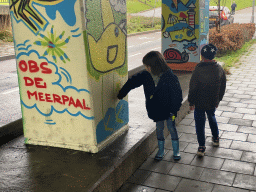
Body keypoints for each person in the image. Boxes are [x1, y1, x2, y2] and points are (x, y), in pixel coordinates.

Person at [117, 51, 183, 161]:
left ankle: (176, 150)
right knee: (159, 129)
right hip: (156, 110)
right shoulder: (146, 75)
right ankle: (161, 150)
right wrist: (121, 93)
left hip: (170, 111)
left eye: (147, 66)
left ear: (153, 65)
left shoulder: (170, 77)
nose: (146, 68)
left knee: (172, 128)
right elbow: (132, 82)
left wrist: (174, 110)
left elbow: (177, 95)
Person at [188, 44, 226, 157]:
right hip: (212, 101)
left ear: (202, 56)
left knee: (199, 124)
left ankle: (201, 147)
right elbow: (223, 86)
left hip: (199, 102)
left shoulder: (198, 69)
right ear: (214, 55)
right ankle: (216, 138)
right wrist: (218, 100)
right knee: (212, 117)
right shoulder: (219, 69)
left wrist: (191, 102)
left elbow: (193, 87)